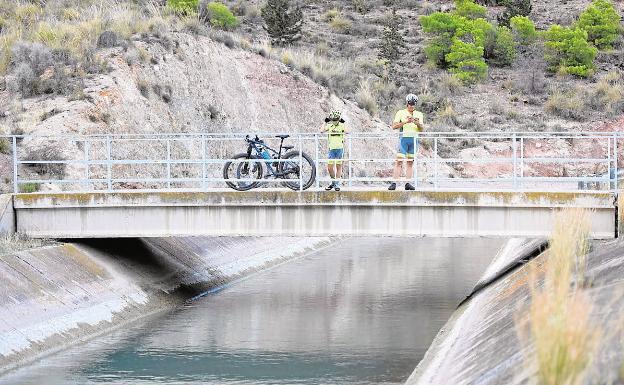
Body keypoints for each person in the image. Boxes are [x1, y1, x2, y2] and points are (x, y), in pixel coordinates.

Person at [389, 94, 425, 191]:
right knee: (399, 161)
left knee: (410, 163)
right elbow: (394, 126)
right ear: (407, 103)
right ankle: (394, 183)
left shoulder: (419, 114)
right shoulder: (400, 112)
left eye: (413, 104)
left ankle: (407, 183)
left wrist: (416, 123)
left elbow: (422, 129)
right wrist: (406, 122)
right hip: (403, 139)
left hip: (414, 140)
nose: (411, 106)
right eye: (410, 103)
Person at [320, 110, 348, 191]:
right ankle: (334, 183)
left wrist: (344, 122)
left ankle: (336, 184)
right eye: (333, 120)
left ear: (338, 119)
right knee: (329, 167)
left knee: (339, 166)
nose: (334, 121)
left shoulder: (341, 125)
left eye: (336, 120)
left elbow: (348, 131)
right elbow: (321, 131)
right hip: (331, 149)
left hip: (340, 148)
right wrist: (325, 122)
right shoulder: (330, 125)